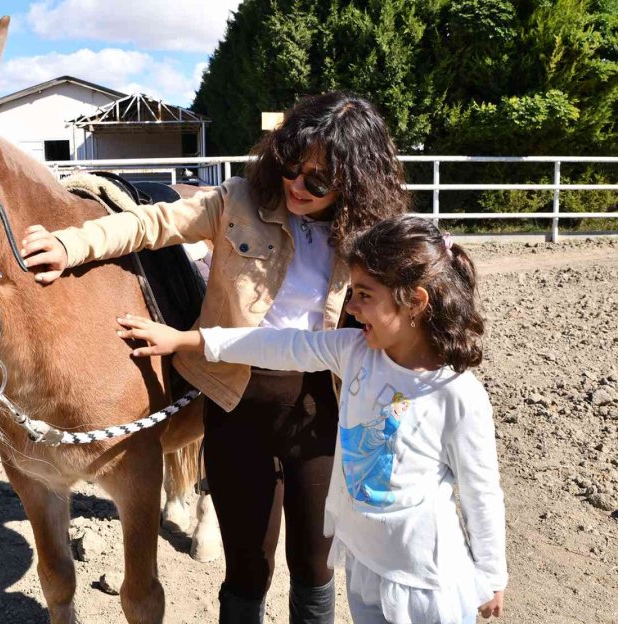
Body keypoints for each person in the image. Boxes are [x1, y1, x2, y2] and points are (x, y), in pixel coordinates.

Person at [20, 92, 409, 623]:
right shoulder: (238, 201)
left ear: (354, 183)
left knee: (316, 566)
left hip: (324, 409)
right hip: (236, 402)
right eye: (291, 166)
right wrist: (72, 244)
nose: (296, 185)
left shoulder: (366, 238)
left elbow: (414, 294)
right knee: (248, 565)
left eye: (317, 181)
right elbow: (148, 223)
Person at [114, 215, 508, 624]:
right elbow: (278, 344)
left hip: (426, 583)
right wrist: (187, 340)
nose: (351, 308)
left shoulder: (457, 394)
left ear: (415, 301)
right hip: (364, 567)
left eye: (363, 295)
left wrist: (492, 574)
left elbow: (481, 492)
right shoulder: (355, 352)